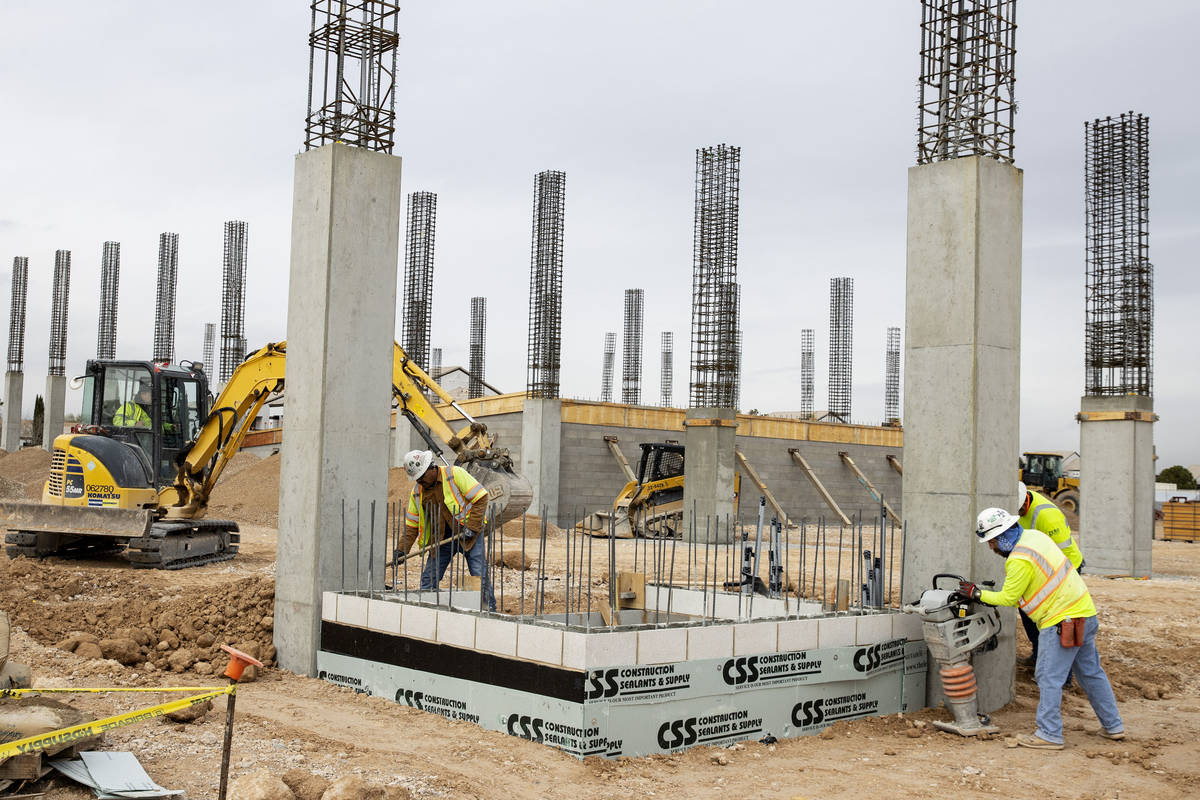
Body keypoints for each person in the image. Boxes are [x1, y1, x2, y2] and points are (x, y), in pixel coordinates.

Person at [959, 508, 1124, 750]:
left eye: (992, 542)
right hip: (1084, 613)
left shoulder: (1018, 560)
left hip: (1061, 621)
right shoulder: (1035, 537)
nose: (992, 548)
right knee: (1091, 673)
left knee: (1048, 677)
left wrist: (977, 593)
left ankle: (1049, 733)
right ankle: (1113, 726)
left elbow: (1008, 598)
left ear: (1001, 537)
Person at [400, 449, 495, 611]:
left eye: (422, 477)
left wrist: (472, 527)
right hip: (441, 539)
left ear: (431, 468)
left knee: (480, 577)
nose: (420, 482)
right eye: (417, 479)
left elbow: (481, 497)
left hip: (468, 535)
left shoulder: (454, 474)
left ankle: (490, 613)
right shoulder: (417, 492)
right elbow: (412, 525)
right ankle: (426, 614)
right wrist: (401, 550)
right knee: (428, 580)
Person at [1016, 481, 1085, 666]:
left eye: (1019, 511)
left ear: (1024, 503)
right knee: (1028, 610)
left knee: (1058, 619)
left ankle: (1063, 673)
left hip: (1065, 568)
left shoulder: (1047, 515)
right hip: (1041, 566)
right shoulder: (1018, 507)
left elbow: (1060, 554)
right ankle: (1039, 654)